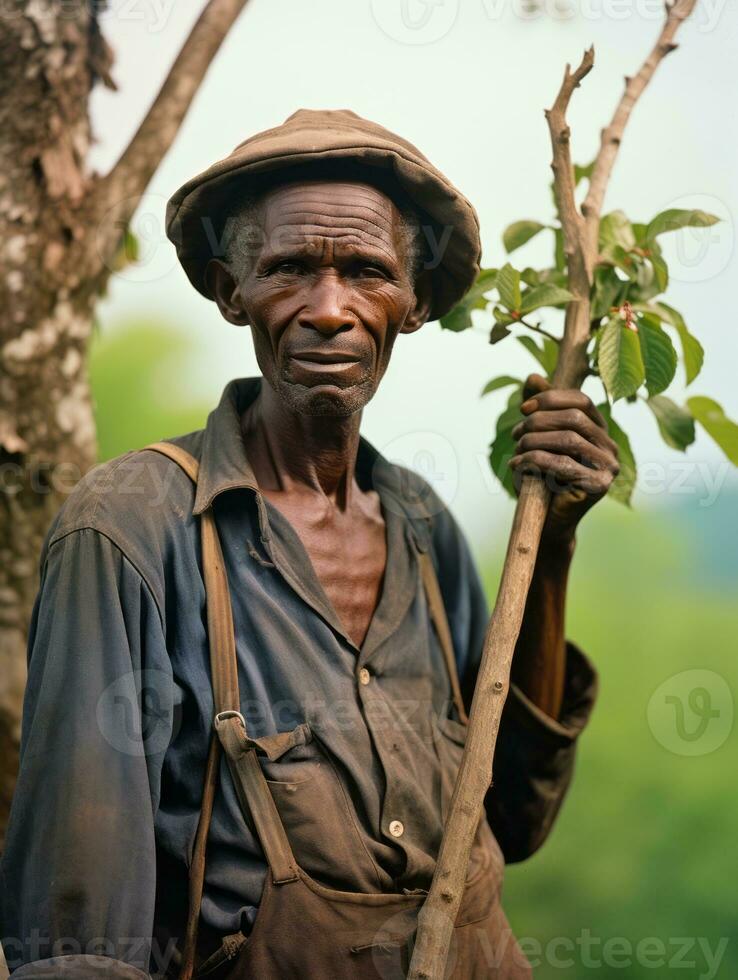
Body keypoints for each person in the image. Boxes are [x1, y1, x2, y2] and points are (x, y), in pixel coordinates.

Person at [0, 109, 619, 978]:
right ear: (231, 290)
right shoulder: (131, 527)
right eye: (290, 268)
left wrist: (552, 550)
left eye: (366, 272)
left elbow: (513, 817)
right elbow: (78, 935)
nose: (330, 310)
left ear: (414, 303)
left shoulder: (422, 526)